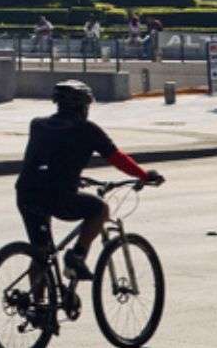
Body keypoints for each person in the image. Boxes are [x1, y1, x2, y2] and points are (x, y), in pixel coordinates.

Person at [16, 81, 164, 282]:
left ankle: (38, 307)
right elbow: (117, 158)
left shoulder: (38, 125)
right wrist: (144, 175)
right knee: (100, 210)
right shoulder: (87, 129)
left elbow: (47, 159)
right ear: (82, 107)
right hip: (57, 196)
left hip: (27, 194)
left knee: (41, 252)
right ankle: (76, 257)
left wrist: (73, 179)